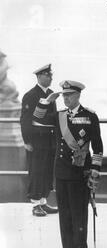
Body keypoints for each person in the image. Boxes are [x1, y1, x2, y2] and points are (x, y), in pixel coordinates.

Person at [32, 80, 103, 248]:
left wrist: (95, 168)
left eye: (69, 95)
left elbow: (98, 146)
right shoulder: (59, 115)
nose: (65, 98)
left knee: (79, 210)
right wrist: (46, 100)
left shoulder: (90, 116)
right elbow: (37, 117)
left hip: (80, 171)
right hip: (61, 170)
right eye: (64, 95)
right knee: (64, 211)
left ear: (78, 95)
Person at [20, 64, 58, 216]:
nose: (50, 78)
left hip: (49, 139)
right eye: (47, 75)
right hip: (36, 140)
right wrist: (27, 140)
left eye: (51, 75)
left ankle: (43, 201)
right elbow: (25, 120)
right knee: (36, 171)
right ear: (39, 76)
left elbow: (54, 117)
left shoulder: (51, 93)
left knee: (47, 171)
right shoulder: (30, 95)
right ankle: (35, 204)